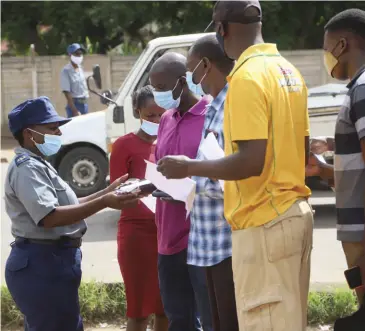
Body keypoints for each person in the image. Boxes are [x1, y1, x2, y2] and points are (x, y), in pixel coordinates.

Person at [157, 1, 313, 331]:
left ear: (222, 28)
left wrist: (189, 168)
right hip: (293, 213)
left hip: (263, 222)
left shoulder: (246, 76)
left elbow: (250, 161)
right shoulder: (288, 71)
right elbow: (302, 151)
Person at [4, 96, 141, 331]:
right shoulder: (27, 168)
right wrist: (105, 201)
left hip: (53, 262)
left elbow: (70, 203)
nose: (58, 133)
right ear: (29, 133)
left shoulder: (40, 163)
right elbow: (50, 217)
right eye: (51, 128)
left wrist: (106, 193)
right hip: (41, 264)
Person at [149, 52, 213, 331]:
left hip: (200, 235)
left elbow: (220, 172)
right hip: (167, 234)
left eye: (161, 88)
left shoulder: (210, 115)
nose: (156, 95)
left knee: (209, 317)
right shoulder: (166, 119)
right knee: (178, 319)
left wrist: (187, 187)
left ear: (182, 82)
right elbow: (158, 164)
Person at [306, 8, 365, 307]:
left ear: (343, 45)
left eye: (328, 48)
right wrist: (326, 168)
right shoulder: (357, 88)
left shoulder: (363, 88)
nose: (327, 55)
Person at [185, 35, 238, 331]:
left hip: (226, 239)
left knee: (230, 321)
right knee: (215, 321)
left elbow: (236, 174)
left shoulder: (232, 105)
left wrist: (189, 175)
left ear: (206, 65)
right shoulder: (213, 106)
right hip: (208, 237)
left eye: (191, 70)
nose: (192, 79)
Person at [109, 85, 168, 331]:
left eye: (160, 115)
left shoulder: (169, 142)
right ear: (137, 113)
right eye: (149, 115)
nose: (155, 120)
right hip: (137, 233)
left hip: (168, 232)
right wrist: (141, 188)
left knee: (166, 308)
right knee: (139, 311)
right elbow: (115, 192)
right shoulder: (124, 145)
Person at [61, 43, 89, 118]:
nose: (79, 56)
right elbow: (67, 93)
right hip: (75, 105)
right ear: (70, 55)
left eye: (80, 53)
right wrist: (75, 111)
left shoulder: (80, 68)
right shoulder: (66, 71)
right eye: (77, 54)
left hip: (84, 104)